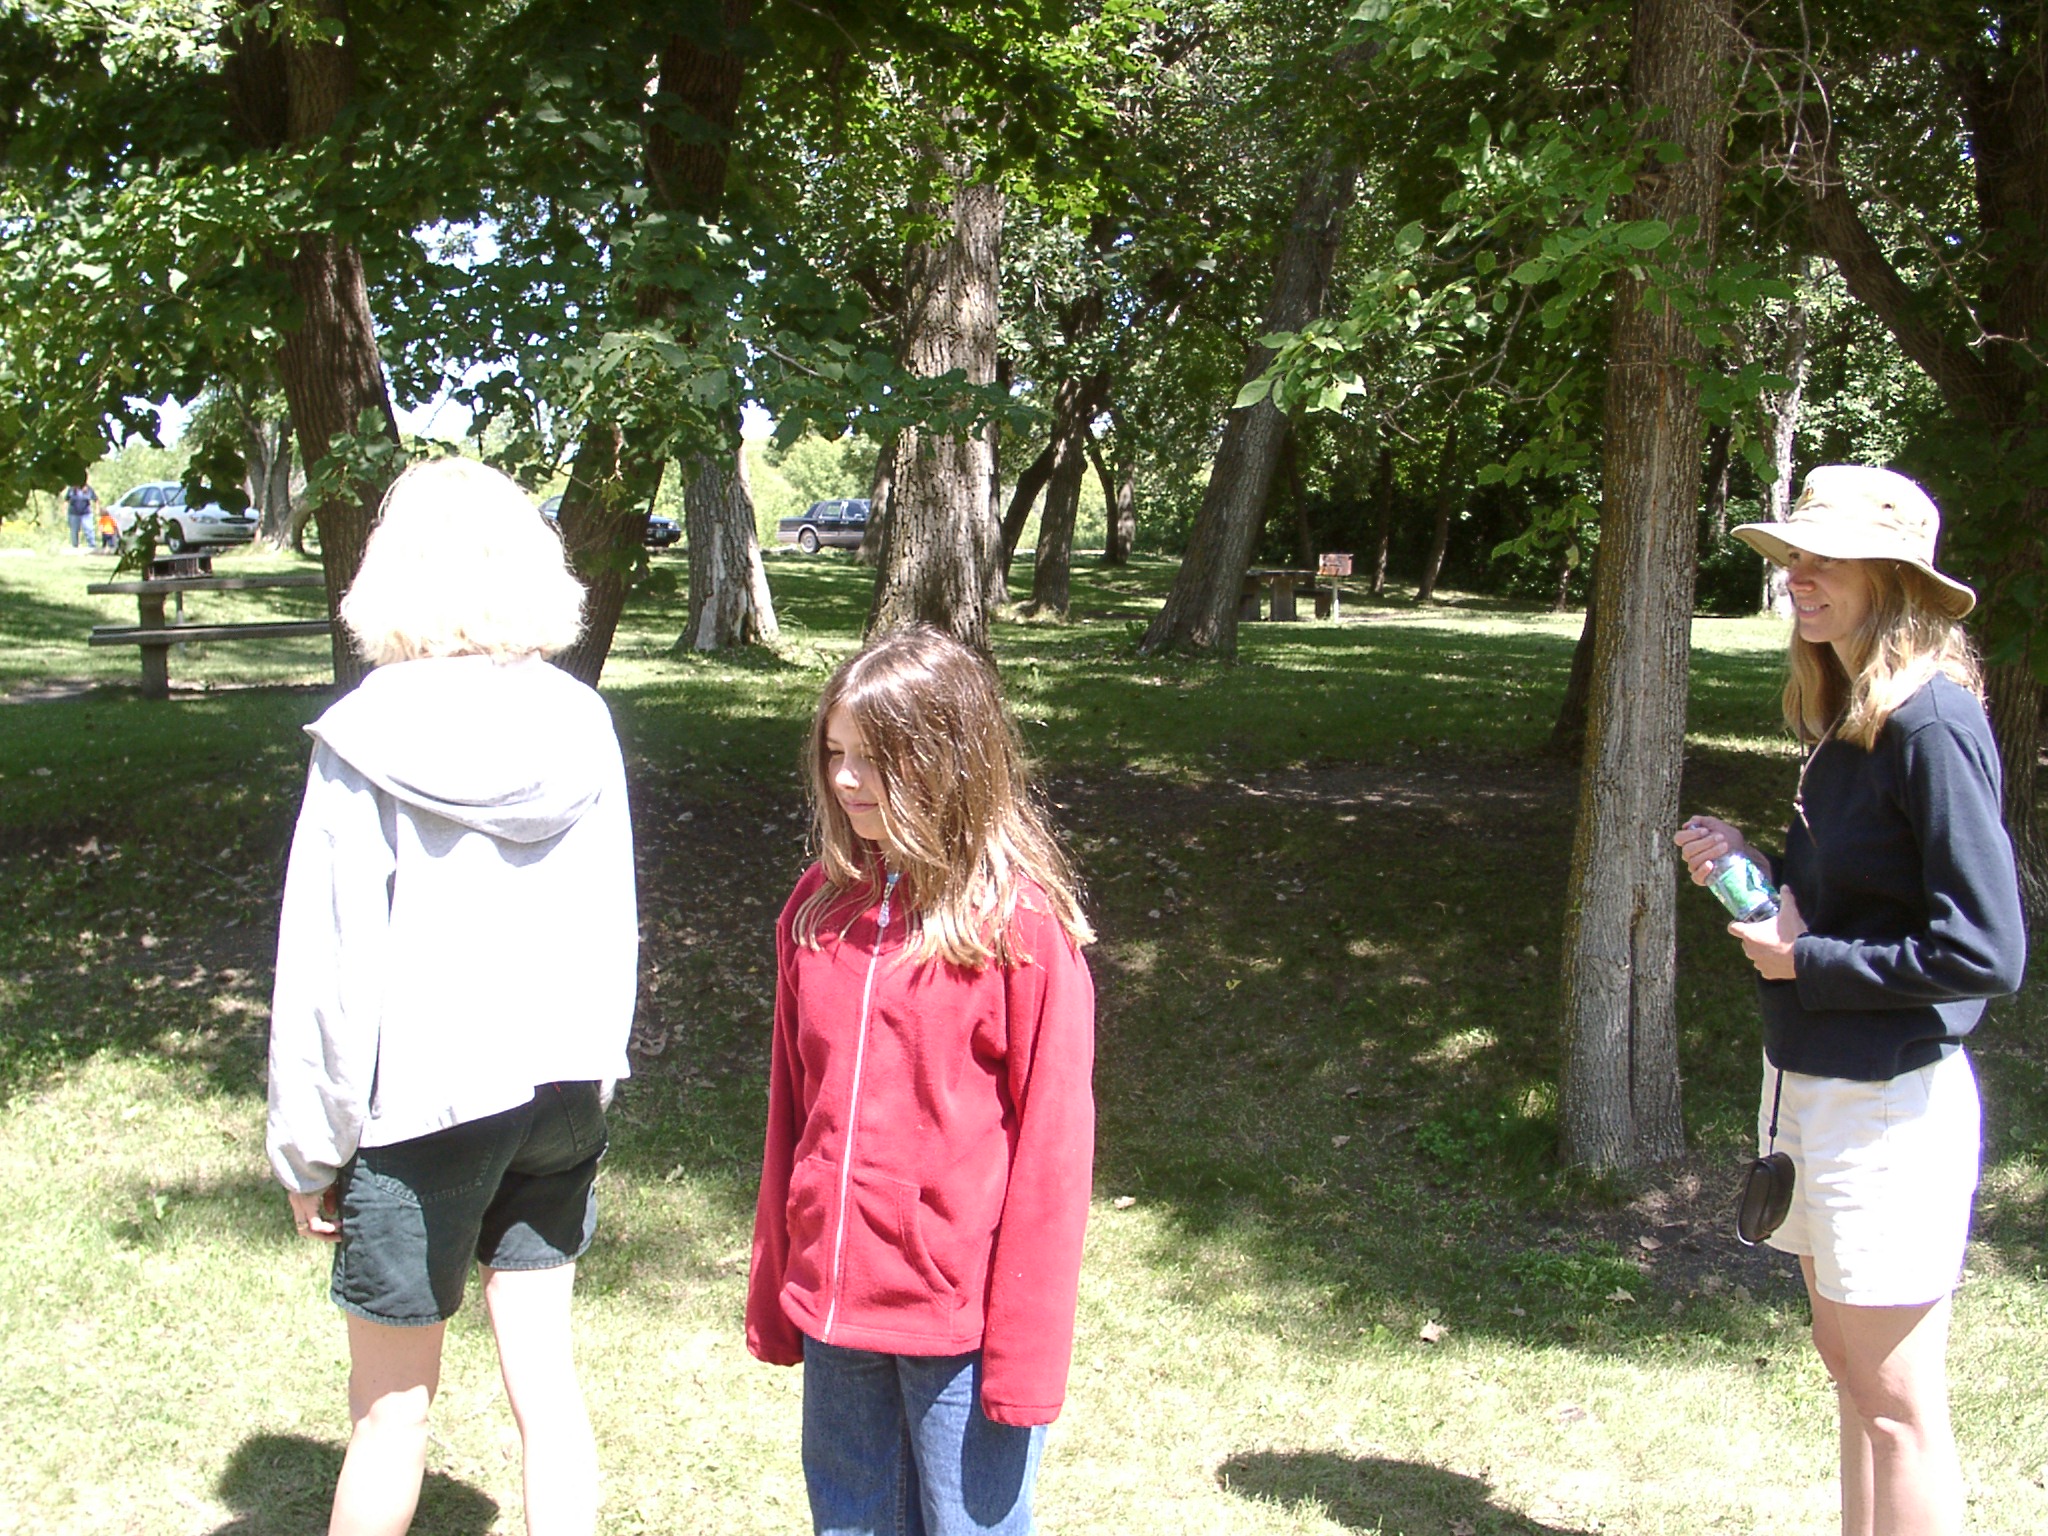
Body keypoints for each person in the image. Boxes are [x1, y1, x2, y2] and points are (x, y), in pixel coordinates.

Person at [266, 456, 637, 1536]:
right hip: (561, 1088)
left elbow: (331, 965)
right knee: (548, 1392)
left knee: (390, 1416)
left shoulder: (364, 733)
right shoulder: (581, 721)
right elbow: (613, 917)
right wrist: (596, 1077)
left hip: (423, 1107)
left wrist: (309, 1150)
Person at [1675, 465, 2025, 1536]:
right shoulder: (1847, 713)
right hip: (1814, 1088)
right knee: (1853, 1379)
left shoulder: (1931, 723)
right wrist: (1757, 867)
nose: (1799, 576)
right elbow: (1860, 896)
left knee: (1897, 1411)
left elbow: (1986, 948)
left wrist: (1807, 961)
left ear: (1894, 579)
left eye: (1826, 560)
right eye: (1794, 556)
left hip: (1886, 1106)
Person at [747, 624, 1096, 1536]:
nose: (846, 779)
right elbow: (793, 1116)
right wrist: (780, 1282)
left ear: (950, 760)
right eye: (836, 753)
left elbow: (1054, 1158)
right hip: (837, 1310)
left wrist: (1025, 1358)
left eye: (875, 757)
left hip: (957, 1327)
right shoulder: (817, 910)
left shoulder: (1018, 929)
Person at [64, 481, 98, 549]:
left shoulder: (88, 489)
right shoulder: (71, 489)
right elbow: (66, 500)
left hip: (86, 514)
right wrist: (64, 510)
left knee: (89, 529)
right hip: (73, 513)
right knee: (74, 530)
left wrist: (97, 509)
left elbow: (96, 499)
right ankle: (75, 546)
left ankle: (92, 546)